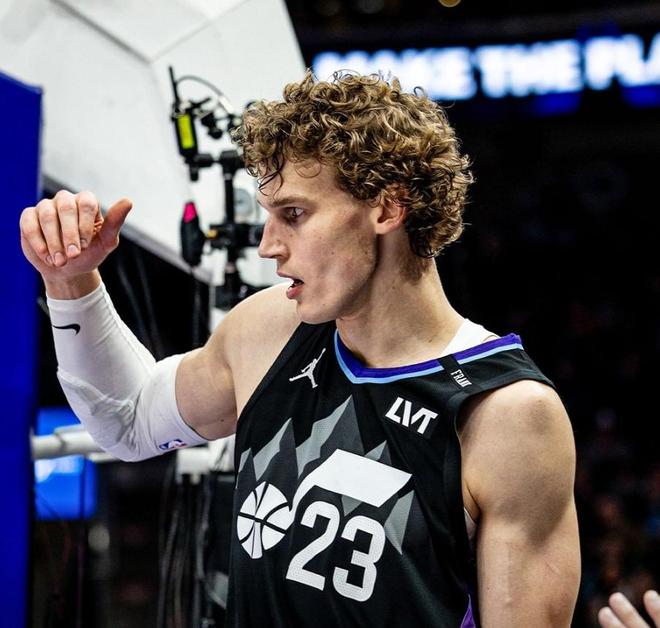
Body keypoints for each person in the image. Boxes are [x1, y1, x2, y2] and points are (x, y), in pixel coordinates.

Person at [20, 71, 580, 626]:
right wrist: (70, 282)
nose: (268, 246)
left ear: (388, 208)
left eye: (293, 214)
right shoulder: (270, 329)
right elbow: (128, 421)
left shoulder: (507, 413)